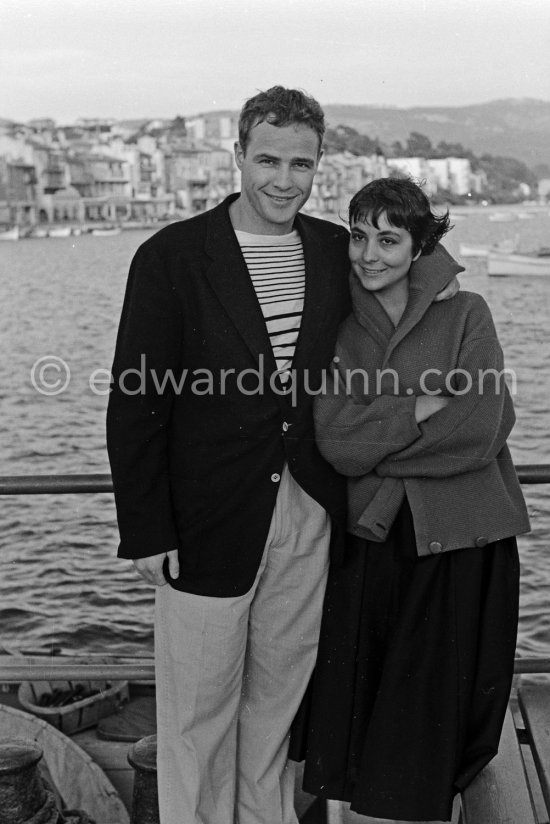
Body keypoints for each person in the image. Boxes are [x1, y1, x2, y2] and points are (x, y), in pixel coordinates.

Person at [106, 88, 459, 824]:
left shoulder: (335, 247)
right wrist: (145, 527)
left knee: (274, 714)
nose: (283, 179)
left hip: (309, 513)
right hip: (204, 522)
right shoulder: (171, 256)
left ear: (318, 166)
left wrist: (430, 394)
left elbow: (428, 273)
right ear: (237, 156)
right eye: (267, 159)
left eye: (301, 163)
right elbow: (136, 403)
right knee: (198, 722)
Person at [300, 177, 531, 823]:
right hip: (377, 538)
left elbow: (482, 426)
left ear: (418, 245)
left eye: (389, 239)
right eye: (358, 236)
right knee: (374, 713)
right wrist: (422, 408)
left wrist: (381, 426)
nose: (369, 253)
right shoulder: (339, 329)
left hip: (464, 539)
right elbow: (336, 443)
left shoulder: (467, 312)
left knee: (442, 715)